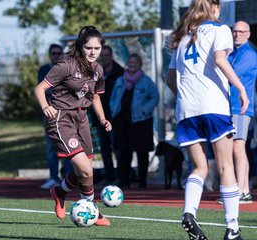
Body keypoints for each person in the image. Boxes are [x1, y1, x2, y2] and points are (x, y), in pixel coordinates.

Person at [166, 0, 249, 239]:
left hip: (187, 109)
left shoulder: (182, 39)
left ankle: (189, 213)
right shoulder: (220, 29)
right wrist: (241, 88)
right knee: (226, 166)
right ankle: (232, 228)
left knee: (199, 167)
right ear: (214, 7)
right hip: (214, 106)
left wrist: (187, 98)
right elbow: (220, 59)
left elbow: (171, 81)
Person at [34, 26, 112, 226]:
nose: (93, 52)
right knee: (86, 170)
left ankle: (59, 191)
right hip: (61, 119)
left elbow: (94, 96)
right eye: (88, 48)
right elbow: (40, 88)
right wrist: (45, 106)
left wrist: (103, 119)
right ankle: (92, 210)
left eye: (97, 48)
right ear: (80, 46)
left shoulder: (98, 69)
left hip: (82, 119)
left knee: (83, 172)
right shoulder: (66, 65)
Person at [110, 53, 159, 189]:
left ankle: (142, 181)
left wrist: (145, 109)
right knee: (123, 152)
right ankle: (124, 181)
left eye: (135, 63)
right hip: (122, 121)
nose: (132, 65)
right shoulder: (120, 81)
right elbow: (113, 98)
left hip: (141, 121)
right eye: (130, 62)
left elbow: (155, 97)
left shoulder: (146, 81)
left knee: (141, 152)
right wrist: (114, 109)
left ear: (140, 65)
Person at [228, 21, 257, 204]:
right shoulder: (234, 53)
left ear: (248, 34)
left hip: (240, 108)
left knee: (238, 147)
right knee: (237, 148)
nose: (237, 34)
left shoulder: (249, 54)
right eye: (235, 31)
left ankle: (242, 191)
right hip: (230, 107)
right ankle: (243, 190)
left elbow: (229, 73)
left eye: (241, 31)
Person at [38, 44, 73, 189]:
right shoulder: (44, 70)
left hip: (66, 114)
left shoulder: (67, 69)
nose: (57, 55)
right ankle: (53, 177)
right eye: (54, 53)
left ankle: (68, 178)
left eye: (59, 53)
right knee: (51, 147)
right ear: (49, 54)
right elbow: (43, 89)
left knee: (67, 147)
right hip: (50, 114)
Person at [95, 45, 124, 185]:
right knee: (104, 148)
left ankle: (121, 177)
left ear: (111, 56)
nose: (105, 58)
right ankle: (109, 177)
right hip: (101, 118)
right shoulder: (97, 73)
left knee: (117, 148)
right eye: (103, 55)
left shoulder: (120, 73)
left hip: (115, 118)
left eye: (107, 55)